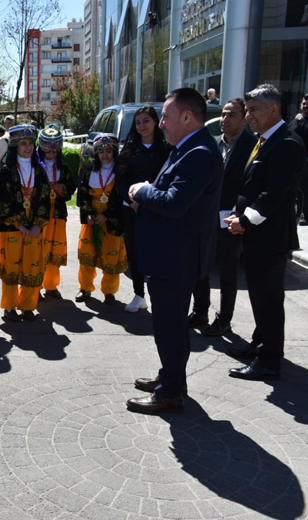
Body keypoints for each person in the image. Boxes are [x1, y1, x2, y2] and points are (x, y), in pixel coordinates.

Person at [127, 87, 223, 414]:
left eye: (166, 116)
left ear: (187, 116)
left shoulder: (199, 152)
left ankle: (170, 393)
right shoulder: (186, 147)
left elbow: (174, 202)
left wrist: (141, 191)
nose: (162, 123)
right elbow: (170, 195)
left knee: (169, 327)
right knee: (173, 325)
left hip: (175, 258)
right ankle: (171, 379)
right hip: (171, 255)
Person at [225, 84, 306, 381]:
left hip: (269, 237)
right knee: (260, 296)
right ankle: (260, 345)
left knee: (268, 299)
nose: (248, 116)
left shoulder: (286, 143)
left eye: (253, 110)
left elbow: (274, 194)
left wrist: (244, 221)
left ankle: (270, 361)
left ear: (274, 110)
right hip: (256, 233)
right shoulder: (263, 141)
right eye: (246, 110)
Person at [190, 98, 256, 336]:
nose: (225, 119)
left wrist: (240, 214)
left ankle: (224, 319)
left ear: (244, 118)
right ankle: (200, 313)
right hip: (206, 217)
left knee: (228, 272)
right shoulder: (214, 144)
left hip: (232, 220)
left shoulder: (251, 146)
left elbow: (250, 186)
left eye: (232, 115)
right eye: (224, 115)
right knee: (201, 268)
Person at [0, 124, 51, 321]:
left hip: (34, 228)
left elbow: (44, 198)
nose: (28, 147)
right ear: (15, 146)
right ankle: (9, 307)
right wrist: (19, 224)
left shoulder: (40, 170)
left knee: (32, 267)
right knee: (11, 268)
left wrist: (37, 225)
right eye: (23, 144)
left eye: (30, 143)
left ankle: (28, 305)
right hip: (13, 228)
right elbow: (2, 200)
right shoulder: (7, 171)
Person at [116, 106, 170, 313]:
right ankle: (139, 295)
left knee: (159, 252)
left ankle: (161, 297)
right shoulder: (129, 150)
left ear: (156, 122)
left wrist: (153, 201)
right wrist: (133, 202)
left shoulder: (166, 149)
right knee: (135, 252)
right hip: (132, 209)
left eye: (146, 121)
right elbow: (120, 180)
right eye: (138, 122)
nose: (142, 126)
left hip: (158, 208)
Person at [76, 133, 127, 305]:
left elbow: (121, 199)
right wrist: (88, 213)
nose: (104, 155)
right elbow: (82, 195)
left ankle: (109, 291)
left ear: (114, 152)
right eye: (101, 151)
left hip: (110, 221)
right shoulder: (90, 171)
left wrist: (107, 215)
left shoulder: (120, 173)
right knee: (86, 254)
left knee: (111, 256)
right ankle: (85, 288)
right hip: (92, 219)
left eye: (108, 151)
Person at [37, 125, 75, 300]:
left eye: (54, 151)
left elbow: (71, 187)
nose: (51, 154)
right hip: (39, 214)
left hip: (58, 213)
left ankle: (51, 285)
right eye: (48, 151)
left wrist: (63, 188)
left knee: (55, 248)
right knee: (38, 249)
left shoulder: (63, 166)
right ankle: (34, 285)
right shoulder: (34, 165)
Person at [289, 93, 308, 225]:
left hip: (306, 163)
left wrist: (302, 121)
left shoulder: (302, 121)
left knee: (305, 190)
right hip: (292, 162)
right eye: (303, 103)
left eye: (307, 104)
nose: (305, 106)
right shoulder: (295, 120)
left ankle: (305, 215)